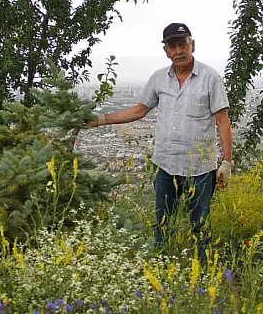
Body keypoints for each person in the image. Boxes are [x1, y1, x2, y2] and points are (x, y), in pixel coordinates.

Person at [87, 22, 234, 260]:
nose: (179, 51)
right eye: (172, 46)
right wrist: (101, 120)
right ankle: (164, 270)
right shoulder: (158, 79)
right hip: (164, 166)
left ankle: (205, 275)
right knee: (163, 224)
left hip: (200, 169)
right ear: (166, 51)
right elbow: (138, 111)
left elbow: (223, 121)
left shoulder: (210, 78)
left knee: (201, 226)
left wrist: (227, 163)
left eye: (182, 44)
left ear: (192, 45)